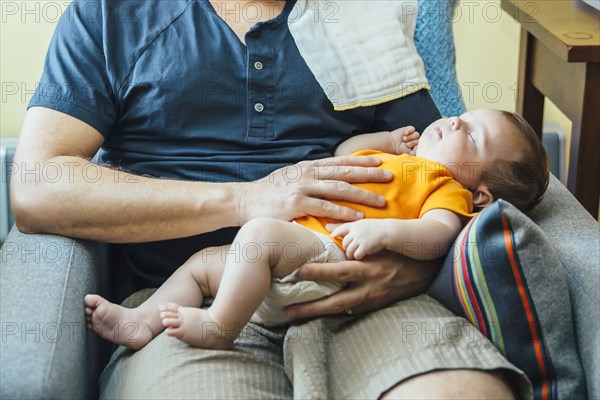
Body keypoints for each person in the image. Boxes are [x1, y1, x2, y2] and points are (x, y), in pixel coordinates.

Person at [12, 0, 534, 398]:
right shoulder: (110, 15)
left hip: (367, 295)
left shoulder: (363, 20)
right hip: (191, 303)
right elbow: (39, 185)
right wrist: (248, 200)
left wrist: (413, 267)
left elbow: (446, 180)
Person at [83, 108, 549, 351]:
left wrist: (387, 236)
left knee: (259, 235)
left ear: (482, 195)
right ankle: (143, 322)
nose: (452, 121)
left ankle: (221, 326)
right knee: (202, 264)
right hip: (293, 259)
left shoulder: (446, 188)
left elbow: (437, 235)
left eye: (469, 134)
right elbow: (346, 152)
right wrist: (384, 142)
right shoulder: (401, 160)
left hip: (330, 254)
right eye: (461, 116)